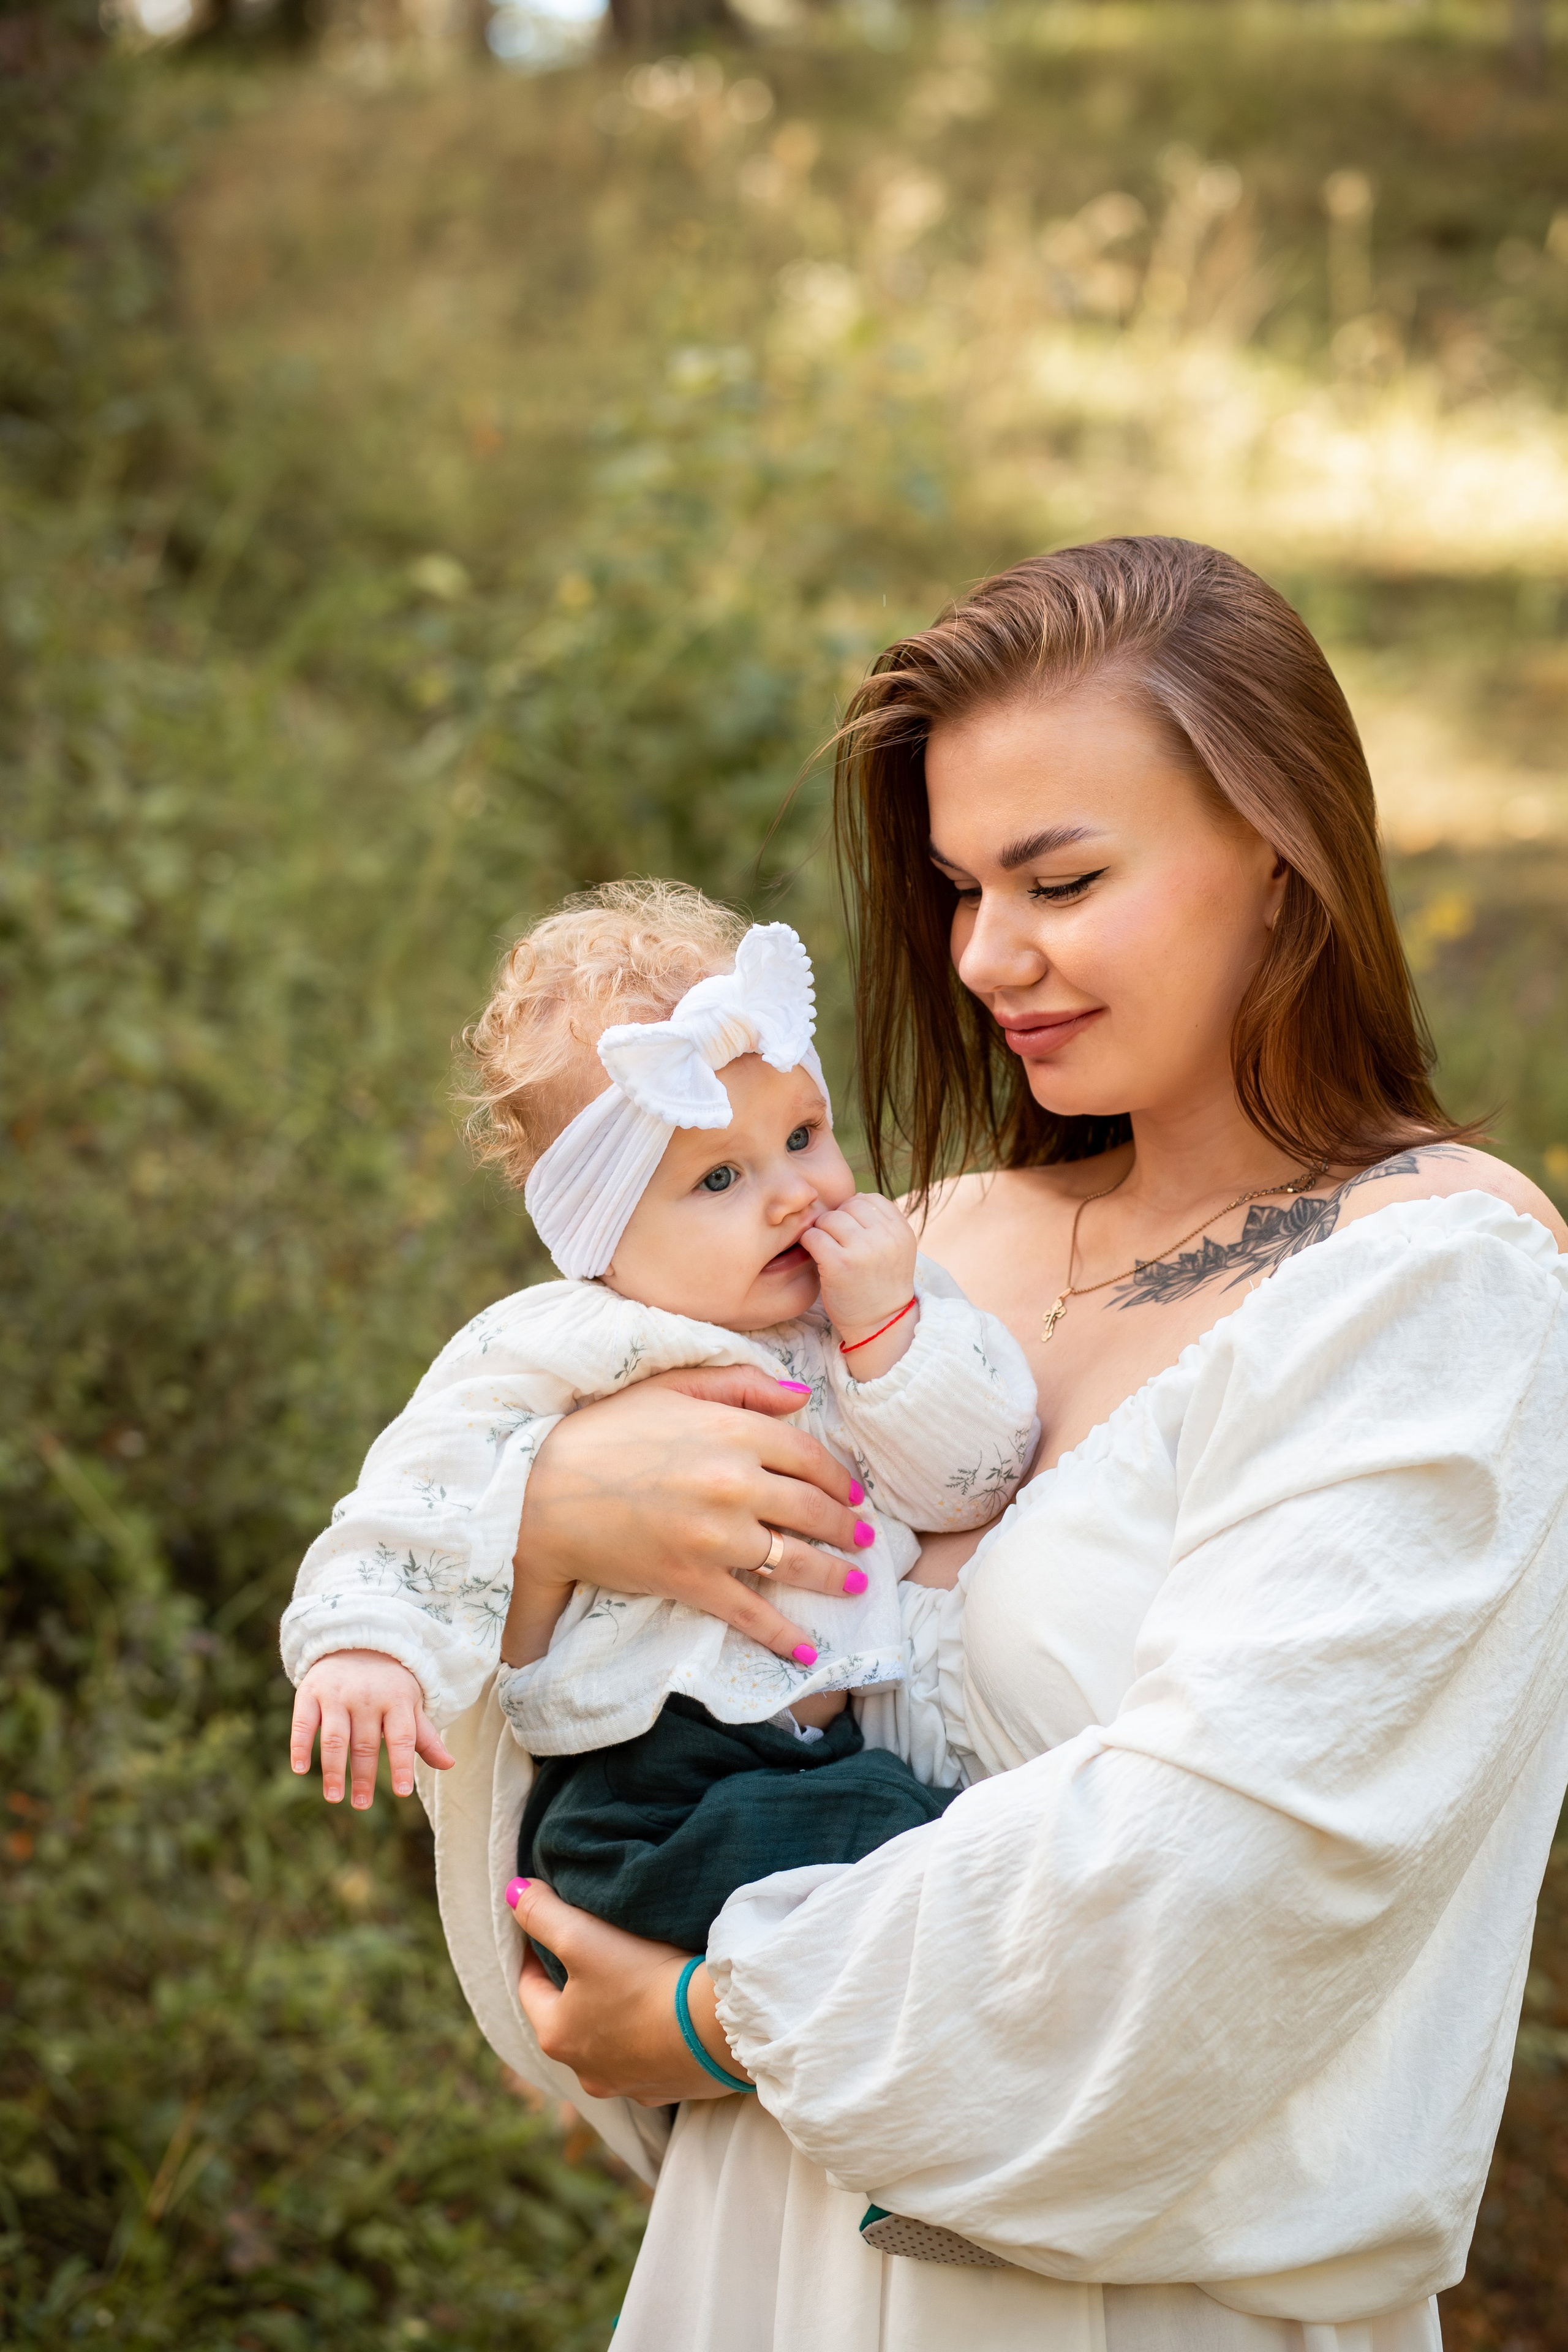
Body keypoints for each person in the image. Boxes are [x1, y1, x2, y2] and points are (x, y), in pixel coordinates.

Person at [477, 538, 1568, 2350]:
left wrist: (720, 2018)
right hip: (761, 2267)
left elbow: (1236, 1877)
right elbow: (596, 1766)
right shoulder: (911, 1254)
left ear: (1282, 865)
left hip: (1118, 2306)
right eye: (960, 887)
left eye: (1061, 878)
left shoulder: (1445, 1293)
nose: (987, 954)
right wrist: (539, 1534)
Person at [284, 884, 1036, 1991]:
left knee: (881, 1820)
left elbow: (974, 1480)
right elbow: (423, 1493)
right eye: (720, 1178)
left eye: (802, 1136)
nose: (791, 1195)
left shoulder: (866, 1309)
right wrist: (363, 1643)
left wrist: (891, 1336)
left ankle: (890, 1956)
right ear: (602, 1240)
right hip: (643, 1776)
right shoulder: (559, 1340)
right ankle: (961, 1917)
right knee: (900, 1840)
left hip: (816, 1754)